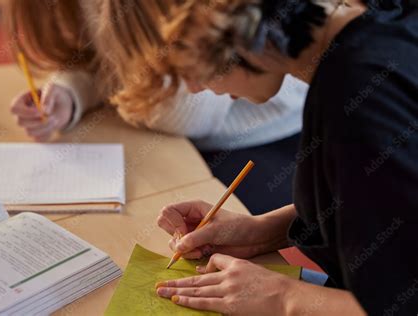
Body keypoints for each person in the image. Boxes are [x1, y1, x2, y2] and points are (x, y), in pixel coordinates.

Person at [99, 0, 418, 314]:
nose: (195, 88)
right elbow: (383, 209)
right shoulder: (379, 17)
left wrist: (282, 296)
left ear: (226, 26)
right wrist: (260, 232)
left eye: (188, 66)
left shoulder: (356, 100)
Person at [6, 0, 309, 214]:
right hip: (169, 128)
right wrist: (72, 92)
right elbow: (103, 61)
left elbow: (182, 114)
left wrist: (118, 83)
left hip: (264, 133)